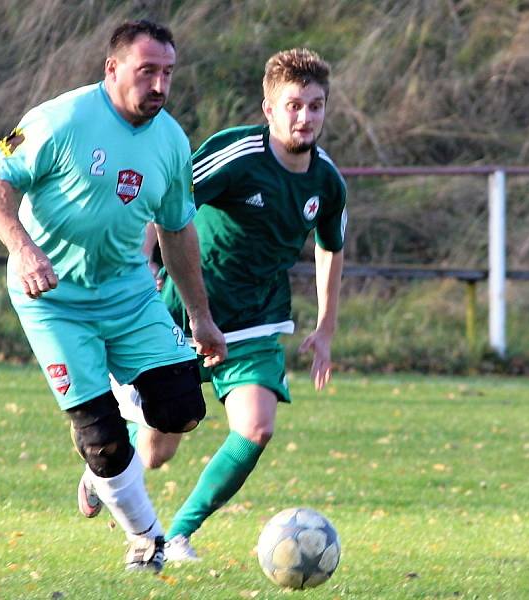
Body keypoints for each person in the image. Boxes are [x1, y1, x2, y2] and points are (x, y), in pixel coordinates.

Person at [0, 19, 227, 573]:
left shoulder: (172, 141)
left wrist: (202, 318)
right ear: (112, 69)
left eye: (168, 74)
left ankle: (104, 460)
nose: (159, 85)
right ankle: (148, 539)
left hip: (130, 296)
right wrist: (21, 247)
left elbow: (178, 229)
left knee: (182, 409)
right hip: (54, 301)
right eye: (147, 72)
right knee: (104, 440)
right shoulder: (59, 119)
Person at [93, 47, 347, 562]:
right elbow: (166, 202)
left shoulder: (327, 181)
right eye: (294, 105)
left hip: (256, 323)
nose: (305, 117)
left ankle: (177, 535)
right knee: (157, 451)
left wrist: (325, 327)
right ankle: (104, 467)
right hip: (185, 314)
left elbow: (330, 247)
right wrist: (144, 263)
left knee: (256, 427)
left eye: (316, 106)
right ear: (269, 108)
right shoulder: (236, 155)